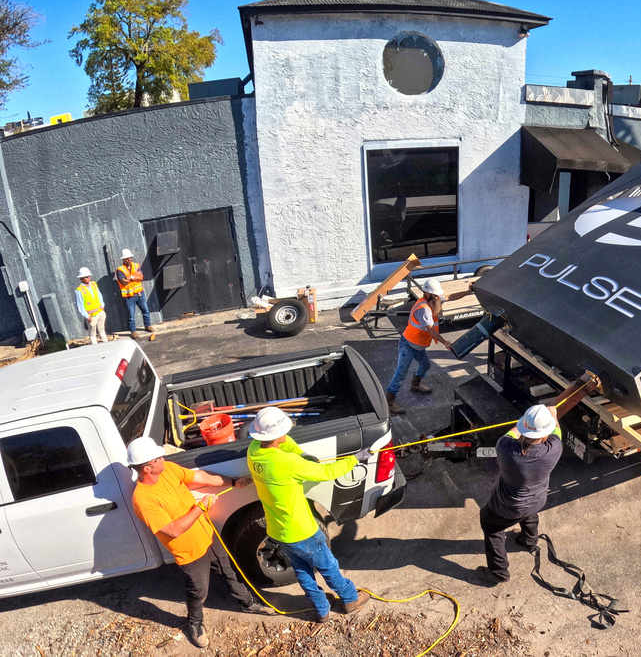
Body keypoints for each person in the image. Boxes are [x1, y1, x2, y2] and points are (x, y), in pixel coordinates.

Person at [127, 437, 273, 650]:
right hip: (189, 551)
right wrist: (201, 508)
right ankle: (194, 623)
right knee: (198, 591)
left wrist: (233, 482)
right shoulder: (143, 499)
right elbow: (173, 530)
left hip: (208, 534)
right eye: (158, 458)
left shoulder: (167, 470)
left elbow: (201, 477)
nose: (163, 458)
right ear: (147, 468)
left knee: (228, 569)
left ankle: (247, 603)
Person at [246, 407, 371, 622]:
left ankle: (322, 609)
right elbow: (327, 472)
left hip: (278, 530)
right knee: (327, 565)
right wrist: (355, 459)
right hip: (302, 530)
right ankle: (350, 599)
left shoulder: (253, 450)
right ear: (276, 436)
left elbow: (285, 444)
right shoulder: (286, 463)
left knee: (303, 571)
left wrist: (301, 454)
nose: (287, 433)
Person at [476, 405, 562, 586]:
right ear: (546, 433)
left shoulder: (505, 448)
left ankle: (498, 572)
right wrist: (553, 415)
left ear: (523, 426)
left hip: (507, 506)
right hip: (537, 499)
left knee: (491, 526)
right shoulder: (554, 448)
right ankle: (528, 542)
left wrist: (524, 423)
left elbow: (511, 433)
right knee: (529, 513)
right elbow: (557, 430)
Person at [385, 277, 452, 415]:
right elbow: (431, 330)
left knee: (425, 365)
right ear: (429, 295)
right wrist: (445, 342)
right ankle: (389, 402)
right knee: (401, 373)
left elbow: (450, 296)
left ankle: (415, 384)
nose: (439, 297)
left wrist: (469, 291)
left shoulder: (434, 300)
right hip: (408, 344)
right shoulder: (424, 310)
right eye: (436, 295)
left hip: (418, 345)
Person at [116, 248, 153, 338]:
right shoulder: (120, 270)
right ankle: (133, 331)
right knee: (131, 315)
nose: (130, 259)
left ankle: (147, 326)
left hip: (139, 293)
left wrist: (130, 277)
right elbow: (123, 281)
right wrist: (134, 277)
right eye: (128, 258)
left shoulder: (136, 265)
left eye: (130, 257)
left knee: (146, 310)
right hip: (129, 296)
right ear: (123, 259)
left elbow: (140, 277)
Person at [74, 266, 107, 344]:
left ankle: (106, 343)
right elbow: (80, 305)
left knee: (102, 329)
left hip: (100, 312)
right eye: (86, 277)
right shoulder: (79, 290)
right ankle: (95, 347)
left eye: (89, 276)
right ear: (81, 278)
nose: (89, 278)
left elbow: (99, 295)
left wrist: (102, 306)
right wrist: (86, 316)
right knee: (93, 333)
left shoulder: (93, 284)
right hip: (91, 316)